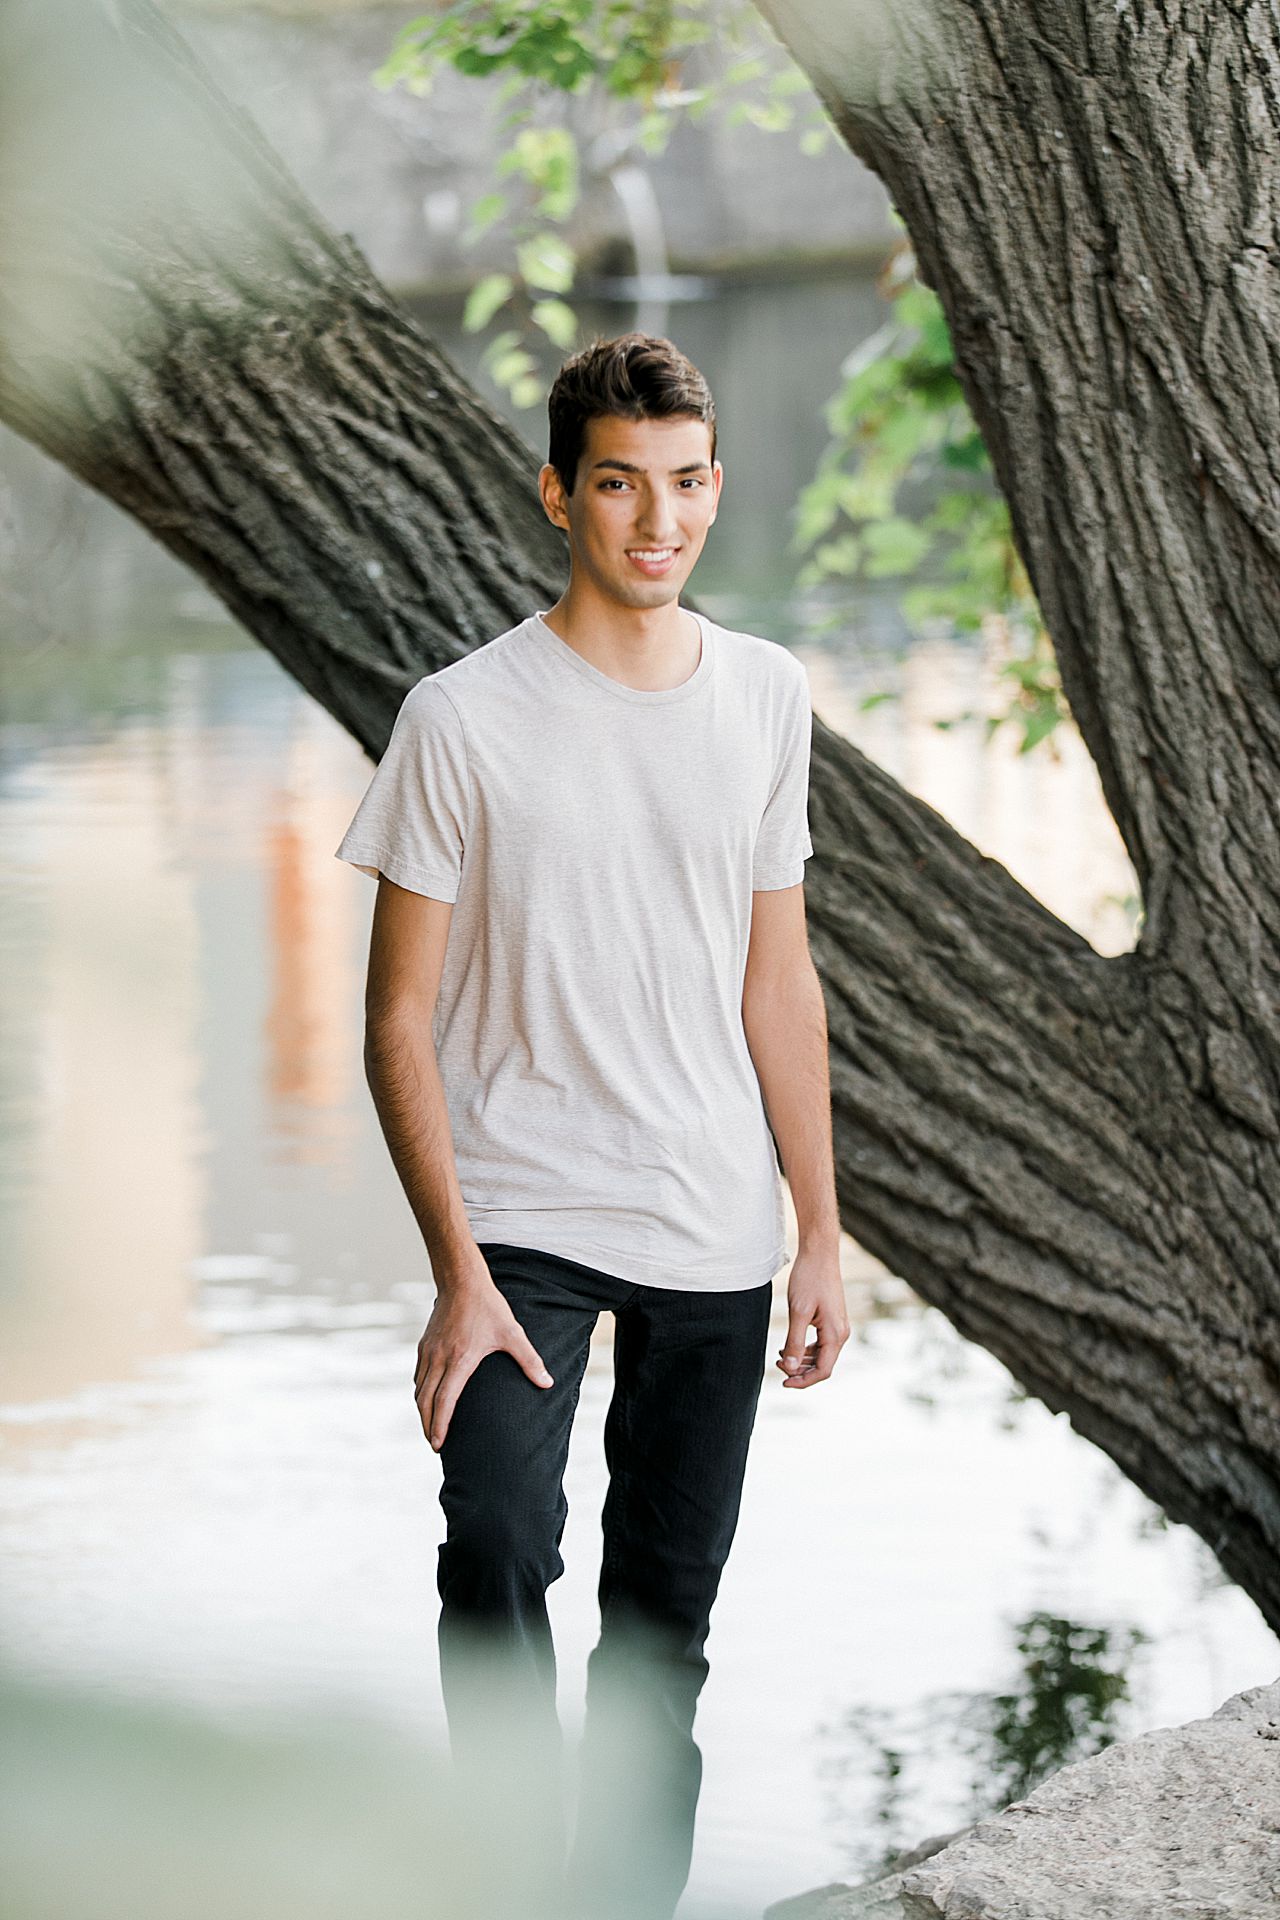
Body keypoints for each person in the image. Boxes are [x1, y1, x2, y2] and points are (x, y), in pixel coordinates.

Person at [334, 331, 849, 1920]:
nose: (658, 523)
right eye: (620, 487)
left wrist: (820, 1232)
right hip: (522, 1220)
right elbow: (394, 1018)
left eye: (687, 485)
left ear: (715, 488)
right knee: (491, 1537)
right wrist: (455, 1265)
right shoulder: (462, 717)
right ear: (561, 494)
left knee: (660, 1639)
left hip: (711, 1221)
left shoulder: (766, 695)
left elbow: (780, 982)